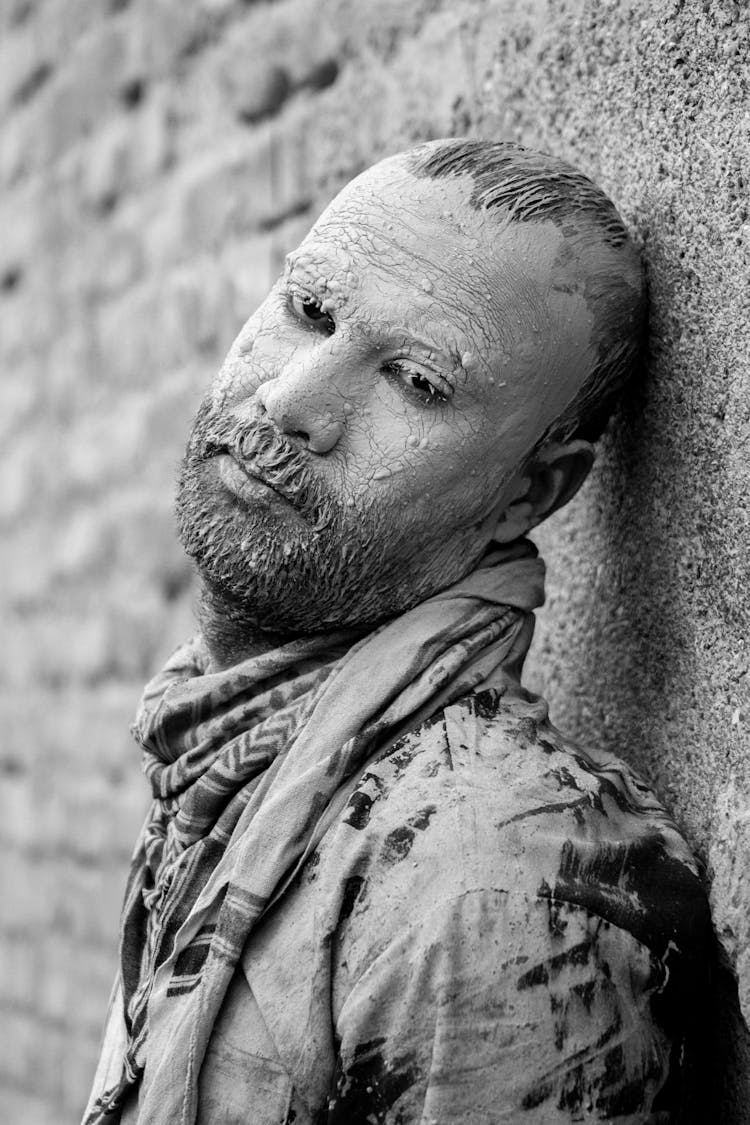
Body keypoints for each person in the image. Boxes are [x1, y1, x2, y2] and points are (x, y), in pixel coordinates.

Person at [83, 139, 711, 1125]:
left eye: (415, 383)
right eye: (311, 312)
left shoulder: (496, 877)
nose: (290, 404)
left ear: (531, 494)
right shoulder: (233, 752)